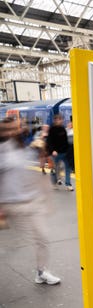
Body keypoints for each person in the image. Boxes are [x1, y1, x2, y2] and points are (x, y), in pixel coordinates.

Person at [0, 116, 61, 285]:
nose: (13, 131)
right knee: (11, 245)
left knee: (42, 237)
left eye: (16, 127)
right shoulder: (2, 150)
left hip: (31, 202)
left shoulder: (24, 149)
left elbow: (32, 170)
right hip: (10, 205)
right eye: (9, 129)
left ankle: (41, 272)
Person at [46, 114, 73, 191]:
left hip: (64, 152)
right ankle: (54, 183)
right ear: (55, 120)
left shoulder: (63, 129)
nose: (62, 121)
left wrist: (68, 151)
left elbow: (65, 141)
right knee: (55, 168)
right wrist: (52, 150)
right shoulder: (52, 130)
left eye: (62, 119)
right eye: (60, 119)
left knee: (68, 168)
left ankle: (68, 184)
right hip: (56, 153)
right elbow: (49, 142)